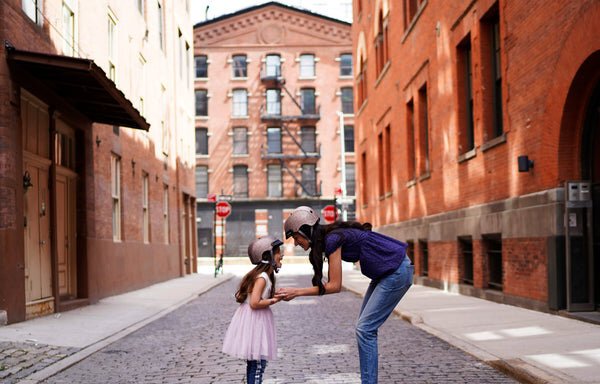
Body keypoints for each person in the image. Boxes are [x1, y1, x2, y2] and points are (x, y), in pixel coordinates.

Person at [276, 206, 413, 384]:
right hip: (387, 272)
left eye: (295, 237)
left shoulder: (332, 239)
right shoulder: (328, 238)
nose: (295, 243)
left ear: (305, 230)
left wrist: (297, 292)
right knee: (365, 329)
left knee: (365, 330)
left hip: (396, 271)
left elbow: (334, 286)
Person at [222, 235, 284, 384]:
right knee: (257, 365)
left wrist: (275, 294)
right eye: (278, 254)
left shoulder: (263, 276)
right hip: (256, 322)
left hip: (256, 321)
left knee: (255, 364)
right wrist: (275, 300)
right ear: (267, 256)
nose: (281, 257)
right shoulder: (262, 277)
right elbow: (255, 303)